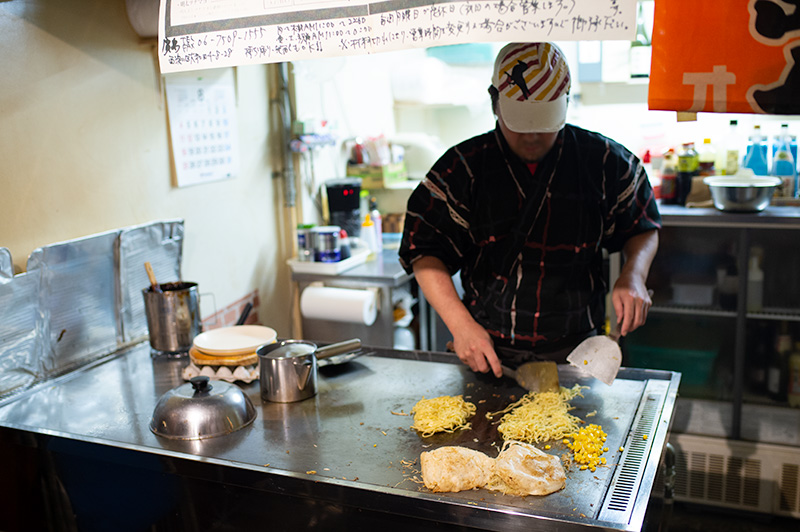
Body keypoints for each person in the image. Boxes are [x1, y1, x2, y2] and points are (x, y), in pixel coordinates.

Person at [398, 42, 661, 378]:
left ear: (565, 102)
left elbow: (641, 225)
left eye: (545, 123)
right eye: (521, 124)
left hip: (579, 351)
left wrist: (633, 275)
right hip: (487, 350)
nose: (533, 136)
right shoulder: (462, 168)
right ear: (495, 104)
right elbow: (425, 250)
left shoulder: (605, 161)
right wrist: (460, 325)